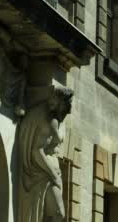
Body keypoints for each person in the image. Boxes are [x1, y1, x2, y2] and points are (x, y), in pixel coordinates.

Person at [18, 86, 73, 222]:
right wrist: (53, 176)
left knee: (56, 215)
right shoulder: (49, 120)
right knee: (58, 213)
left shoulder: (57, 119)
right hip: (44, 173)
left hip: (52, 171)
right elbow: (37, 151)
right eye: (68, 103)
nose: (70, 109)